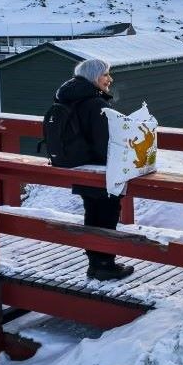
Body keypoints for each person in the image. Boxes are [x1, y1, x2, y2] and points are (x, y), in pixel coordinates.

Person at [53, 58, 135, 281]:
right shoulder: (96, 104)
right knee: (107, 215)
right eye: (106, 74)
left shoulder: (68, 97)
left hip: (79, 166)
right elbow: (104, 144)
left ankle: (95, 263)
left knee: (92, 214)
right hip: (100, 171)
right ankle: (105, 265)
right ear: (94, 77)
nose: (110, 79)